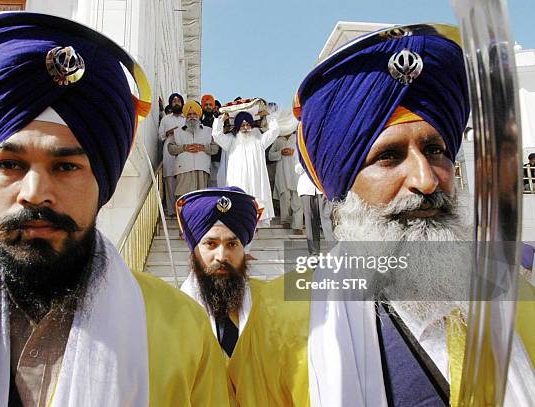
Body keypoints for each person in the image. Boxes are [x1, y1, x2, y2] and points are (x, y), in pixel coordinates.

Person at [0, 12, 230, 406]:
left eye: (66, 167)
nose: (34, 194)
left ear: (103, 181)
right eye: (10, 165)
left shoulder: (182, 329)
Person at [229, 24, 534, 406]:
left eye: (436, 150)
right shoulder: (280, 324)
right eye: (389, 157)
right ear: (343, 186)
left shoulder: (515, 296)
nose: (426, 180)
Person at [178, 187, 264, 358]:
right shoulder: (173, 313)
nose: (222, 256)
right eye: (211, 244)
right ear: (193, 250)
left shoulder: (267, 303)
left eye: (232, 245)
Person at [212, 111, 279, 227]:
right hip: (239, 183)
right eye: (242, 125)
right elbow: (216, 135)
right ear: (238, 127)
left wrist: (268, 116)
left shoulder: (260, 142)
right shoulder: (231, 143)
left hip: (256, 184)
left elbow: (275, 131)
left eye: (248, 125)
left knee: (257, 204)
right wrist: (221, 120)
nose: (246, 128)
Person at [168, 100, 218, 197]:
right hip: (183, 170)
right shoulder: (178, 132)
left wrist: (203, 148)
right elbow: (170, 149)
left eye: (195, 114)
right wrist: (184, 148)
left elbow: (215, 149)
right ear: (186, 116)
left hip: (202, 169)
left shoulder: (208, 131)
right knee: (184, 198)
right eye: (189, 114)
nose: (192, 116)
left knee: (201, 198)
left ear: (199, 115)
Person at [269, 112, 303, 231]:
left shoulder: (298, 137)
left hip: (296, 173)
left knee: (297, 200)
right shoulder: (277, 140)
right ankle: (285, 221)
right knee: (285, 198)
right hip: (283, 173)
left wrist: (294, 152)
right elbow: (270, 156)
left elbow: (303, 152)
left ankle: (297, 225)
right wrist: (280, 153)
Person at [158, 93, 185, 216]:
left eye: (178, 101)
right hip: (169, 153)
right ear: (170, 104)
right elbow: (160, 136)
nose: (176, 103)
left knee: (183, 180)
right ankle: (171, 211)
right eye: (173, 101)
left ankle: (183, 211)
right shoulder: (165, 119)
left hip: (184, 153)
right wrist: (170, 131)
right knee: (169, 180)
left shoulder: (186, 119)